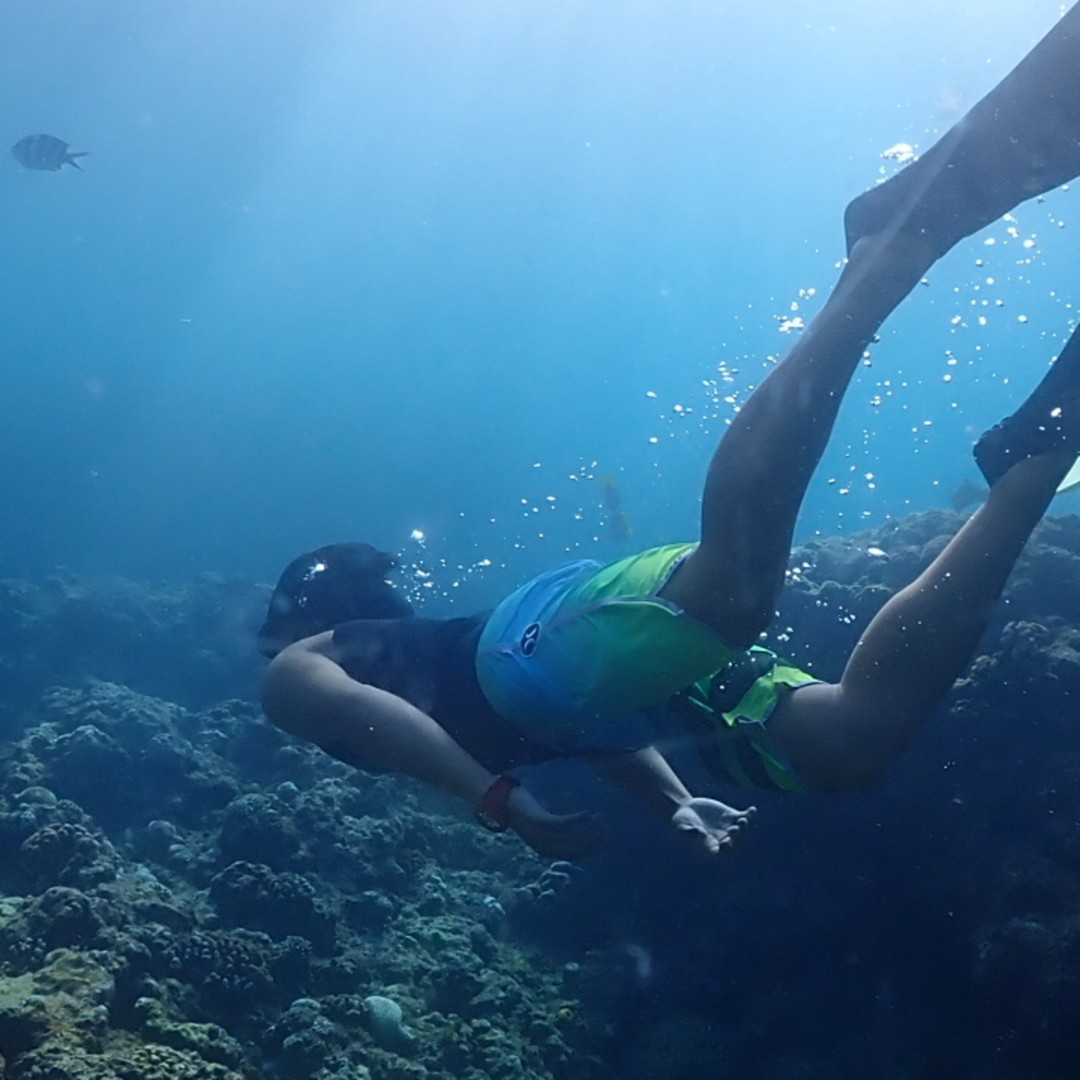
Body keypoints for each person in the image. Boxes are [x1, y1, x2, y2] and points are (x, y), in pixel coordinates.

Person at [260, 6, 1080, 862]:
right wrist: (677, 801)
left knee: (729, 593)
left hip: (522, 651)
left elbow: (381, 719)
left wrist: (498, 801)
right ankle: (1036, 457)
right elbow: (591, 715)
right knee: (848, 744)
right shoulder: (439, 670)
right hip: (589, 692)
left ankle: (882, 260)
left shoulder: (292, 674)